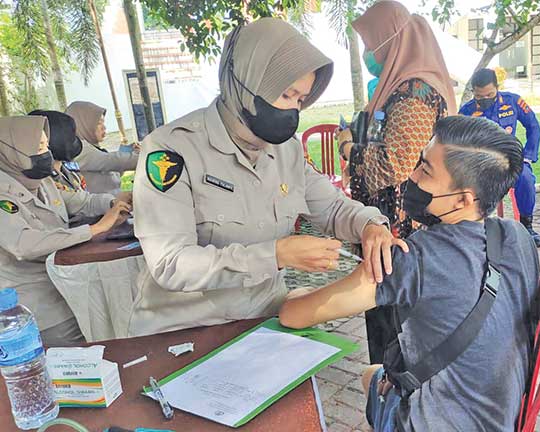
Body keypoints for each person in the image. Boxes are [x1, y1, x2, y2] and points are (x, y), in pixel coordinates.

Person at [129, 18, 399, 337]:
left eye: (301, 100)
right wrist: (275, 255)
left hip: (265, 324)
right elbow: (171, 264)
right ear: (247, 82)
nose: (293, 112)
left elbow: (334, 209)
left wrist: (370, 226)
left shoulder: (287, 152)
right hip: (184, 331)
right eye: (286, 95)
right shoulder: (171, 151)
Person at [280, 116, 539, 431]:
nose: (411, 177)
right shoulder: (517, 237)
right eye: (420, 162)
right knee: (381, 374)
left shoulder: (414, 258)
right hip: (500, 417)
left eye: (426, 170)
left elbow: (294, 315)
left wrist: (291, 279)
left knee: (368, 375)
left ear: (464, 199)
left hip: (430, 423)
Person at [336, 0, 456, 364]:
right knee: (387, 320)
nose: (369, 54)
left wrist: (347, 148)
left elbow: (397, 162)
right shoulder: (399, 87)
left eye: (373, 45)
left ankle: (397, 405)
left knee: (397, 331)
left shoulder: (417, 92)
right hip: (392, 227)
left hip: (406, 233)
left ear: (392, 43)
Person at [0, 116, 131, 345]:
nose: (46, 154)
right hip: (36, 306)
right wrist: (95, 229)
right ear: (13, 152)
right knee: (73, 363)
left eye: (46, 146)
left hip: (64, 286)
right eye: (39, 148)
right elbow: (23, 244)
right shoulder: (4, 194)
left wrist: (114, 204)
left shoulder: (39, 180)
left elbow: (79, 201)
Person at [459, 68, 540, 247]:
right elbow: (459, 142)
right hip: (482, 164)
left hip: (510, 160)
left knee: (526, 178)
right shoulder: (466, 111)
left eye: (489, 94)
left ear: (497, 87)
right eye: (479, 97)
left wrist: (528, 156)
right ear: (473, 92)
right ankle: (478, 230)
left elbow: (534, 127)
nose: (485, 100)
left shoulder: (513, 101)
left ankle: (526, 227)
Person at [65, 101, 139, 195]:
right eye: (99, 123)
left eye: (103, 122)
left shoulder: (92, 147)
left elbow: (111, 167)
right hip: (103, 206)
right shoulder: (79, 149)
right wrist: (144, 154)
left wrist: (127, 153)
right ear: (83, 124)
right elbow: (112, 161)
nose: (104, 127)